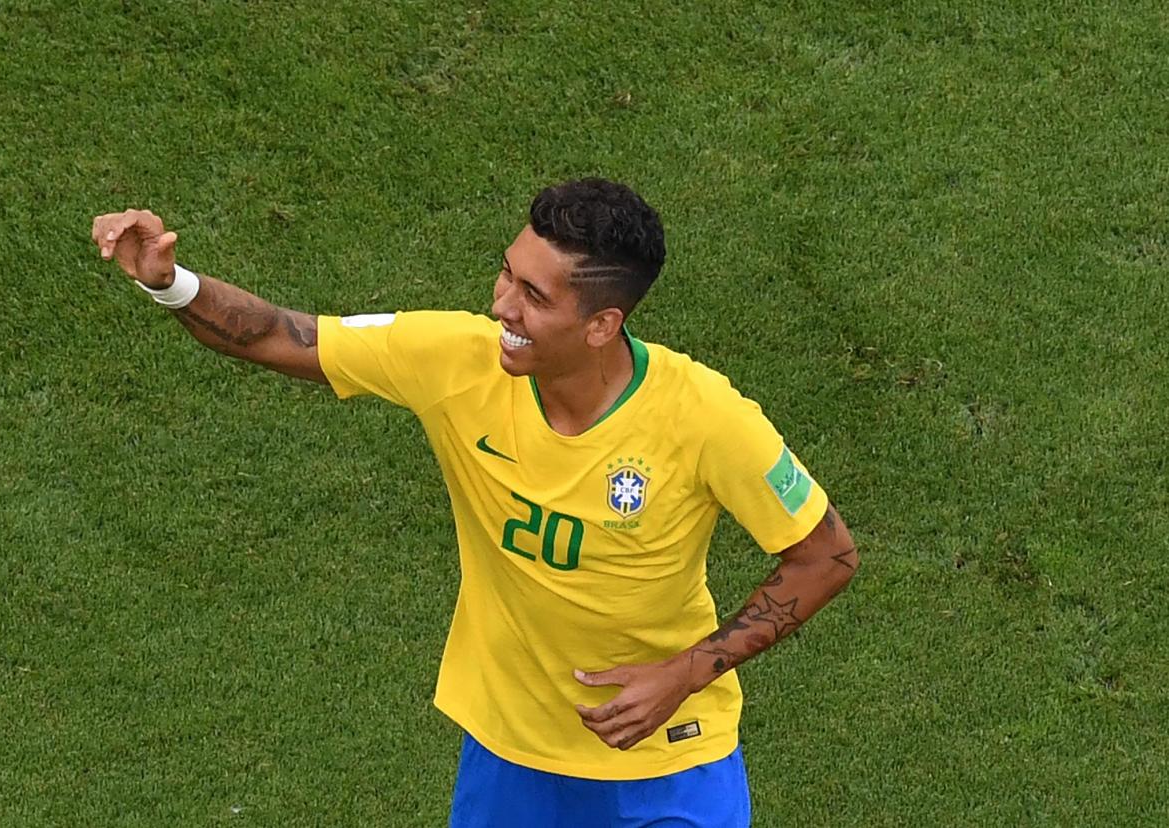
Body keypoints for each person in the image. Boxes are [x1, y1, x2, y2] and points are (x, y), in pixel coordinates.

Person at [91, 179, 858, 827]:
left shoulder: (705, 418)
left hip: (669, 764)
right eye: (506, 275)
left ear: (602, 324)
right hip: (510, 758)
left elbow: (826, 554)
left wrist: (688, 671)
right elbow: (279, 335)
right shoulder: (455, 361)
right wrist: (169, 282)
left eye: (533, 295)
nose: (501, 306)